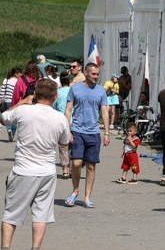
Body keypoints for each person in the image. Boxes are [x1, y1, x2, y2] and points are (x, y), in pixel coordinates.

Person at [0, 79, 70, 250]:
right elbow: (64, 142)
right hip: (46, 171)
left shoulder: (23, 111)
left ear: (36, 94)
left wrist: (21, 102)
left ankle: (6, 247)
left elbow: (3, 118)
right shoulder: (60, 118)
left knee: (11, 214)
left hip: (23, 170)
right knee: (41, 215)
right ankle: (35, 248)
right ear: (55, 96)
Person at [64, 63, 110, 209]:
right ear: (86, 73)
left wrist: (107, 133)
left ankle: (87, 197)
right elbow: (68, 110)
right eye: (93, 74)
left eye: (97, 74)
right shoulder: (75, 89)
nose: (96, 77)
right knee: (76, 163)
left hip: (93, 132)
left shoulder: (101, 91)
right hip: (77, 130)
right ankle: (75, 190)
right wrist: (67, 130)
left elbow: (104, 112)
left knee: (91, 166)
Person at [52, 72, 72, 179]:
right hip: (74, 121)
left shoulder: (57, 93)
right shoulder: (74, 92)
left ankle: (65, 170)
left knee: (63, 146)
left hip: (61, 121)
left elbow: (54, 106)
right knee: (73, 147)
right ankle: (73, 168)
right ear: (69, 81)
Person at [0, 67, 22, 142]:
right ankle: (12, 133)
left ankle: (9, 130)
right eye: (19, 73)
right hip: (14, 102)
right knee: (15, 118)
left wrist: (1, 99)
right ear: (15, 74)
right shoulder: (18, 81)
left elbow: (3, 90)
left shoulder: (6, 80)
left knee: (7, 117)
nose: (20, 74)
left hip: (6, 101)